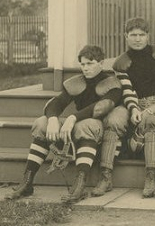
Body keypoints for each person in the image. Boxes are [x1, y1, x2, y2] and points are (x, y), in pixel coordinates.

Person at [5, 45, 122, 203]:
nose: (85, 68)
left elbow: (102, 108)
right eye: (82, 64)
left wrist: (72, 118)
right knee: (42, 123)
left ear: (101, 63)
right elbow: (55, 103)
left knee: (86, 125)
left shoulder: (112, 83)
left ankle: (79, 185)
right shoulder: (77, 82)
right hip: (75, 126)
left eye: (90, 63)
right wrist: (53, 119)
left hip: (96, 131)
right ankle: (27, 182)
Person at [92, 18, 155, 199]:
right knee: (114, 119)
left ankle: (151, 175)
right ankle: (105, 175)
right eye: (133, 35)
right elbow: (128, 89)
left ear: (148, 36)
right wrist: (133, 108)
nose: (137, 39)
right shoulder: (122, 62)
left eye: (141, 35)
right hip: (135, 102)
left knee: (150, 118)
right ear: (126, 37)